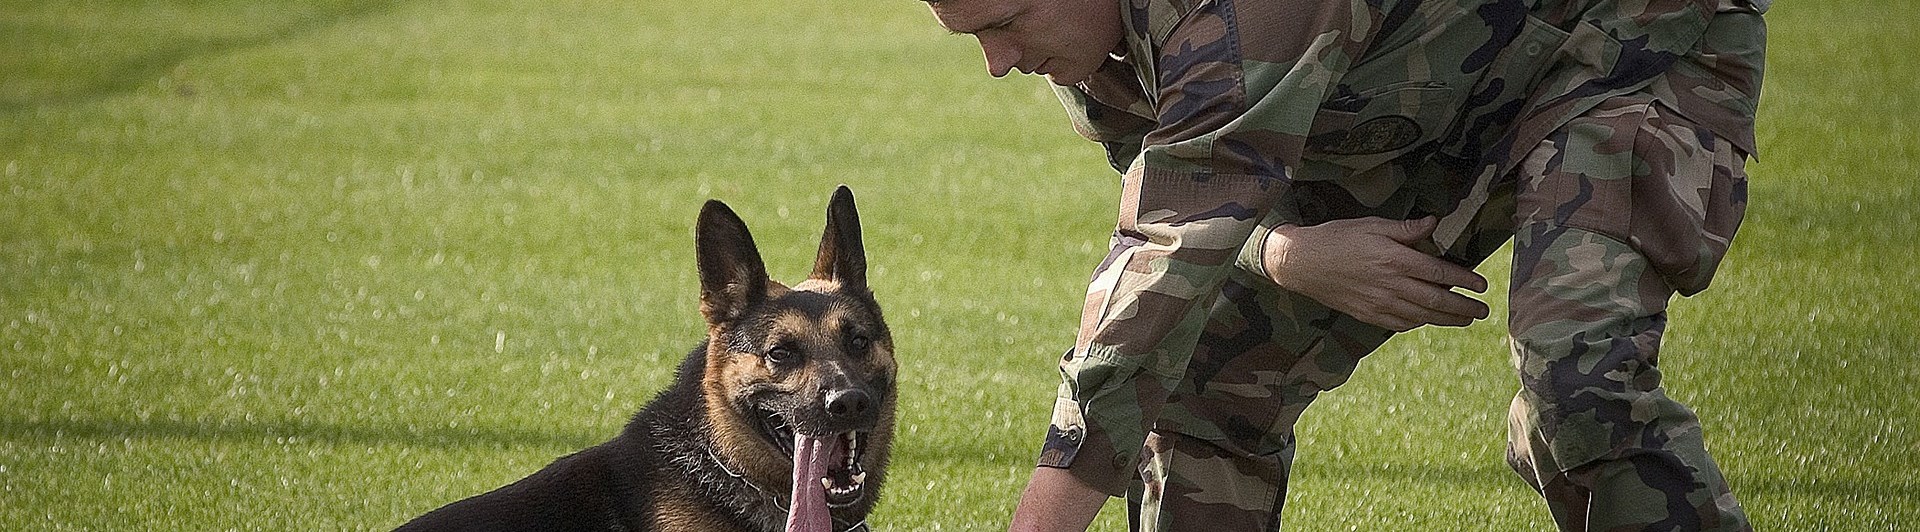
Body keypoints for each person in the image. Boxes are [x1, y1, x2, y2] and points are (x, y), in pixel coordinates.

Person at [922, 0, 1767, 529]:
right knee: (1204, 389)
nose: (998, 65)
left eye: (1003, 23)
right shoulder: (1090, 48)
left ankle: (1563, 432)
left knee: (1579, 371)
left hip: (1620, 49)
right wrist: (1284, 251)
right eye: (971, 36)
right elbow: (1164, 189)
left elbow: (1163, 266)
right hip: (1411, 121)